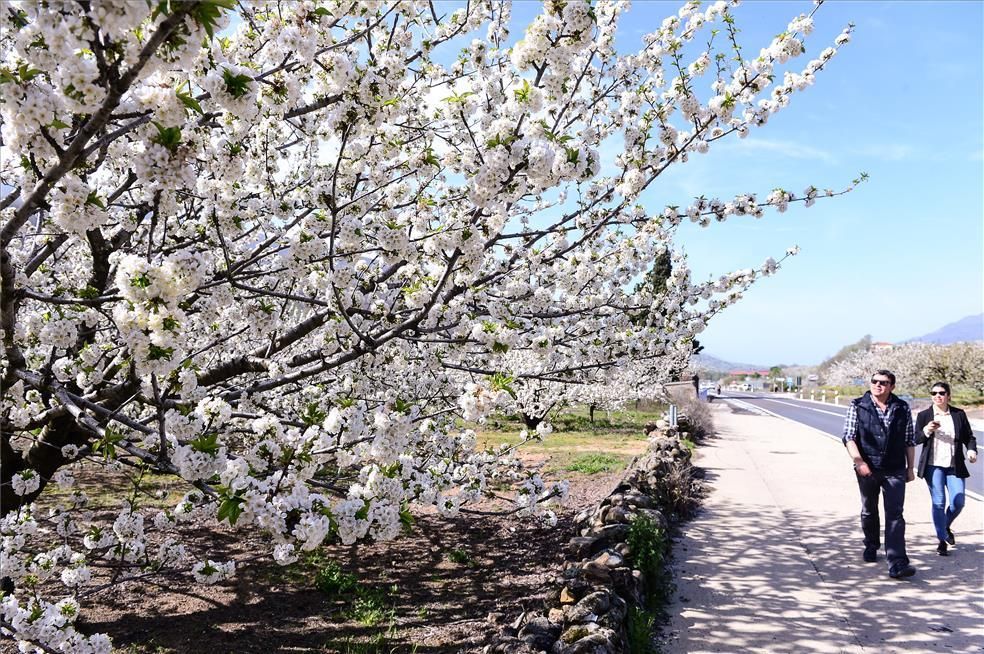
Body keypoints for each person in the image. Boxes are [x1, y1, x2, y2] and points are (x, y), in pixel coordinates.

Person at [842, 369, 917, 579]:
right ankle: (871, 544)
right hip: (868, 467)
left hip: (894, 468)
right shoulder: (858, 405)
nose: (878, 385)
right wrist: (859, 462)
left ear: (892, 386)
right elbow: (849, 436)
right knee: (869, 510)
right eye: (875, 381)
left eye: (883, 383)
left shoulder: (902, 407)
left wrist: (910, 468)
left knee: (895, 514)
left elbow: (909, 440)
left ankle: (897, 562)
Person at [913, 381, 978, 556]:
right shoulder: (924, 415)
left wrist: (971, 450)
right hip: (933, 466)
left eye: (941, 393)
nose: (937, 396)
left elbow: (969, 437)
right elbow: (915, 439)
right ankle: (941, 539)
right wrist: (927, 430)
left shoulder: (958, 414)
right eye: (934, 393)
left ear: (948, 395)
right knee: (939, 502)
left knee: (958, 502)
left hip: (953, 465)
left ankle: (945, 526)